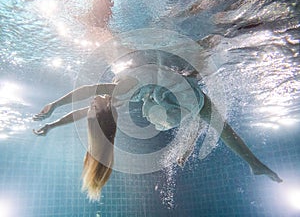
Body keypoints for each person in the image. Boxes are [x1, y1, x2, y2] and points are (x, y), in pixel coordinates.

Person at [33, 75, 282, 200]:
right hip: (177, 98)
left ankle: (254, 164)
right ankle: (253, 164)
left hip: (177, 100)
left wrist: (53, 123)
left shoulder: (114, 102)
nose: (91, 102)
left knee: (216, 125)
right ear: (102, 111)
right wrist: (54, 105)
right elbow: (86, 94)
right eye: (92, 107)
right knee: (213, 123)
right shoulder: (118, 91)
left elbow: (83, 111)